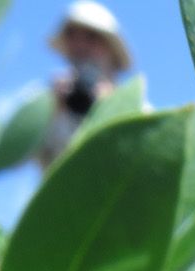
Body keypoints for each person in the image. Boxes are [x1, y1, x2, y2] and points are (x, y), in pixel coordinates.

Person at [38, 2, 132, 167]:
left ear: (111, 49)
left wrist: (112, 110)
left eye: (91, 36)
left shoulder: (137, 108)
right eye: (71, 35)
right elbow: (20, 155)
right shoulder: (49, 98)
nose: (79, 45)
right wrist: (49, 113)